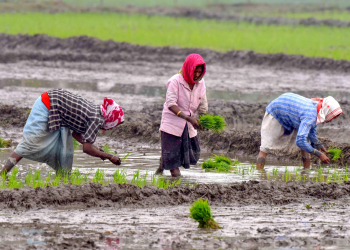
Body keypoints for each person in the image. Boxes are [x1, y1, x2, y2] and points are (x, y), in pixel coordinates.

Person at [0, 89, 124, 175]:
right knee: (30, 143)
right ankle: (2, 175)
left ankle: (63, 179)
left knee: (64, 148)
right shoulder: (97, 119)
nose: (111, 128)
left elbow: (77, 134)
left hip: (55, 106)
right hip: (47, 104)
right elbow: (86, 149)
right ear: (110, 118)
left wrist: (98, 151)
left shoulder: (97, 112)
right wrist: (109, 156)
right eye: (114, 124)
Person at [256, 93, 343, 170]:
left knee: (305, 143)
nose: (331, 120)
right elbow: (300, 141)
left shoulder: (318, 110)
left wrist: (317, 144)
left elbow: (311, 131)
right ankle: (259, 174)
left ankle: (306, 171)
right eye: (332, 117)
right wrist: (319, 154)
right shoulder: (310, 115)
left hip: (290, 113)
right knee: (265, 147)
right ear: (327, 111)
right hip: (276, 112)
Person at [156, 54, 208, 177]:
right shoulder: (175, 81)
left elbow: (203, 103)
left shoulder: (200, 83)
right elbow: (171, 104)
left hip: (188, 125)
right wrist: (189, 118)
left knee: (193, 154)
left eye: (199, 72)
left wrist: (204, 120)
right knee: (174, 166)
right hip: (172, 124)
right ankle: (177, 186)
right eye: (194, 71)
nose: (196, 75)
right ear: (188, 68)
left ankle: (164, 162)